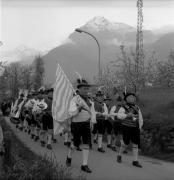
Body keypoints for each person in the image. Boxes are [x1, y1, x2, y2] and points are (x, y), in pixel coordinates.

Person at [66, 78, 93, 173]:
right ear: (79, 89)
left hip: (86, 124)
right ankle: (69, 157)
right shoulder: (74, 99)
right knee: (75, 144)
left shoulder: (89, 101)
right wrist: (78, 108)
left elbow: (92, 113)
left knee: (86, 144)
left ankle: (84, 165)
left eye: (87, 89)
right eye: (84, 89)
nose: (86, 90)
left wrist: (92, 122)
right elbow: (71, 112)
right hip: (76, 124)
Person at [116, 92, 143, 168]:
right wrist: (127, 115)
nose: (132, 98)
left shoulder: (137, 107)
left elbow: (140, 118)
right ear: (126, 99)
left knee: (135, 143)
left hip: (135, 128)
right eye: (130, 97)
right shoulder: (123, 107)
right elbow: (119, 116)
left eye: (133, 97)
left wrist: (140, 127)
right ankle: (119, 155)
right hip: (126, 127)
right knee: (125, 143)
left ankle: (135, 161)